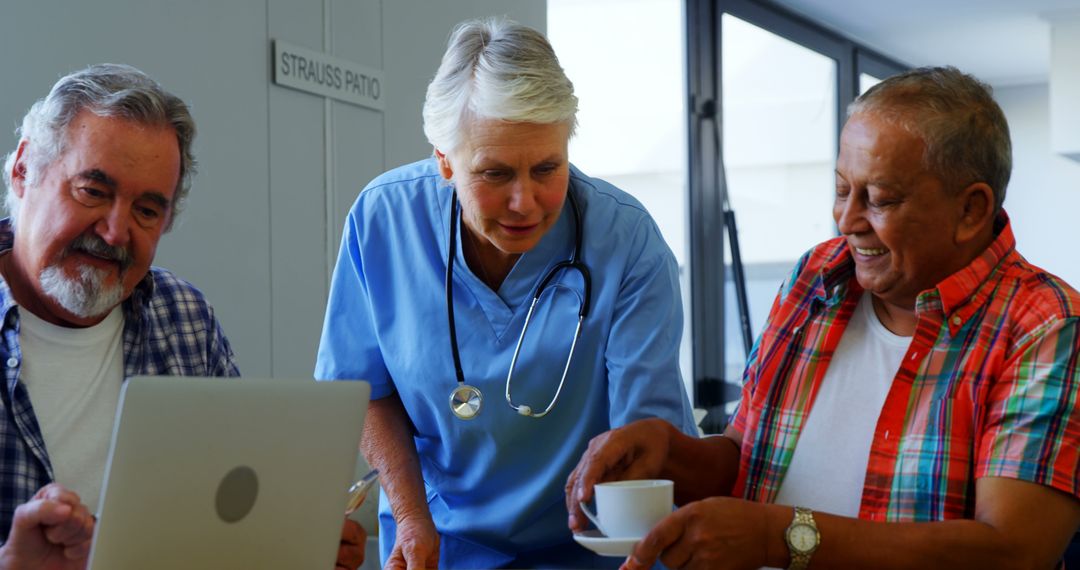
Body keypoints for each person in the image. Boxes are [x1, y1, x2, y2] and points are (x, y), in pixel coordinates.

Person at [567, 66, 1080, 569]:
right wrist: (670, 452)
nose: (847, 220)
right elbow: (752, 460)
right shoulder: (817, 277)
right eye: (841, 189)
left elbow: (1014, 550)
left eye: (880, 199)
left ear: (971, 210)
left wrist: (778, 537)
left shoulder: (1044, 324)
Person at [316, 17, 697, 569]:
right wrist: (412, 516)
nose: (526, 201)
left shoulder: (626, 241)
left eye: (548, 168)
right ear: (444, 160)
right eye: (494, 174)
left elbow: (645, 435)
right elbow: (361, 391)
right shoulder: (383, 220)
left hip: (591, 549)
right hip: (441, 545)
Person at [0, 63, 314, 569]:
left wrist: (292, 546)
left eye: (147, 210)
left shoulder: (185, 318)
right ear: (23, 170)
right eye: (93, 191)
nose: (116, 231)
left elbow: (227, 520)